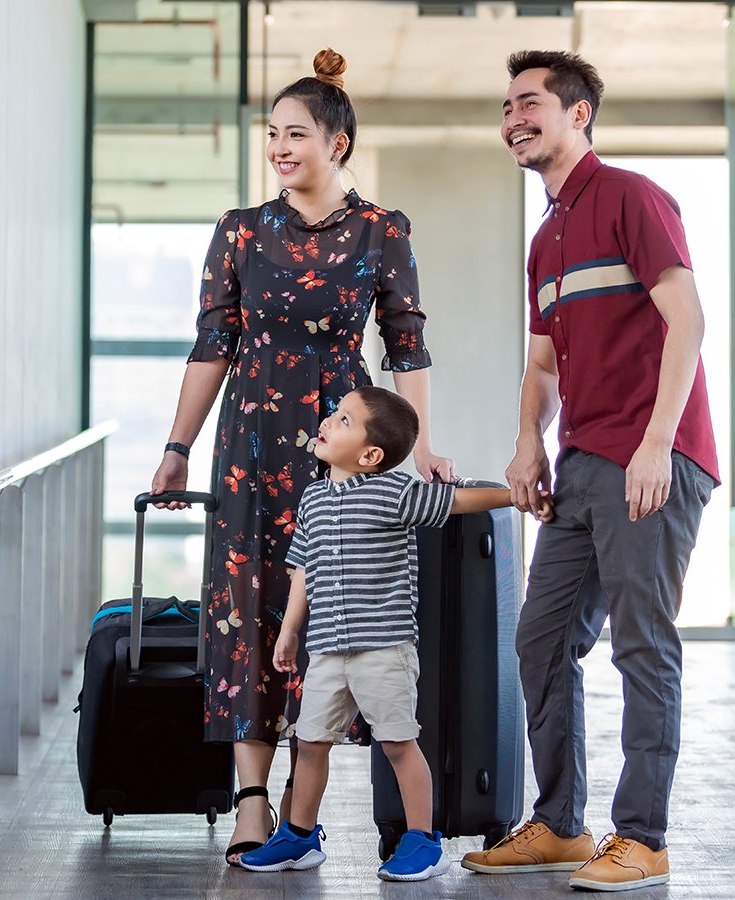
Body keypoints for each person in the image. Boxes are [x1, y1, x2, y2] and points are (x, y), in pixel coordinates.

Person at [149, 49, 454, 864]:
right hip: (249, 438)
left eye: (296, 133)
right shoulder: (241, 231)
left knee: (336, 613)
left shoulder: (383, 231)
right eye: (272, 134)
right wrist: (176, 448)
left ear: (338, 142)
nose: (280, 146)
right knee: (245, 608)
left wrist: (417, 447)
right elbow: (211, 347)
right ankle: (256, 801)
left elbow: (408, 349)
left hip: (344, 444)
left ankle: (305, 807)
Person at [459, 51, 718, 892]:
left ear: (579, 115)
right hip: (580, 461)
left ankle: (641, 837)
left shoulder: (633, 199)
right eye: (507, 107)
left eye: (530, 103)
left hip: (650, 458)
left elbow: (688, 320)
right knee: (540, 641)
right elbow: (542, 367)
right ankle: (563, 826)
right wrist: (529, 440)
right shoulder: (544, 241)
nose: (513, 119)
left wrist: (656, 443)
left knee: (643, 645)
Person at [235, 387, 542, 881]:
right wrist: (290, 630)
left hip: (384, 649)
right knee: (309, 742)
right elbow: (303, 569)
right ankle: (299, 836)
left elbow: (458, 500)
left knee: (398, 743)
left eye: (344, 420)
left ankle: (422, 841)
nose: (329, 422)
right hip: (327, 649)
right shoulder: (312, 498)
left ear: (370, 455)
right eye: (335, 415)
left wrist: (517, 497)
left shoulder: (394, 493)